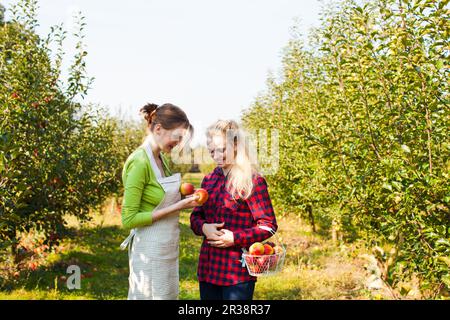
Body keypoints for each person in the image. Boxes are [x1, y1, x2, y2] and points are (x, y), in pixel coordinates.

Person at [190, 119, 278, 300]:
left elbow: (268, 225)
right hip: (208, 268)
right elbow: (196, 216)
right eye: (212, 151)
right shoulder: (208, 180)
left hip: (236, 271)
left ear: (236, 145)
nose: (216, 155)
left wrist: (235, 238)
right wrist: (203, 227)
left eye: (222, 149)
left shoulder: (252, 181)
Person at [120, 103, 199, 300]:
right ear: (158, 129)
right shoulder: (140, 162)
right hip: (150, 250)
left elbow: (157, 198)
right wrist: (177, 206)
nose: (179, 143)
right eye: (178, 137)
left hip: (166, 249)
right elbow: (128, 219)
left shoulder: (160, 159)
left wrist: (184, 197)